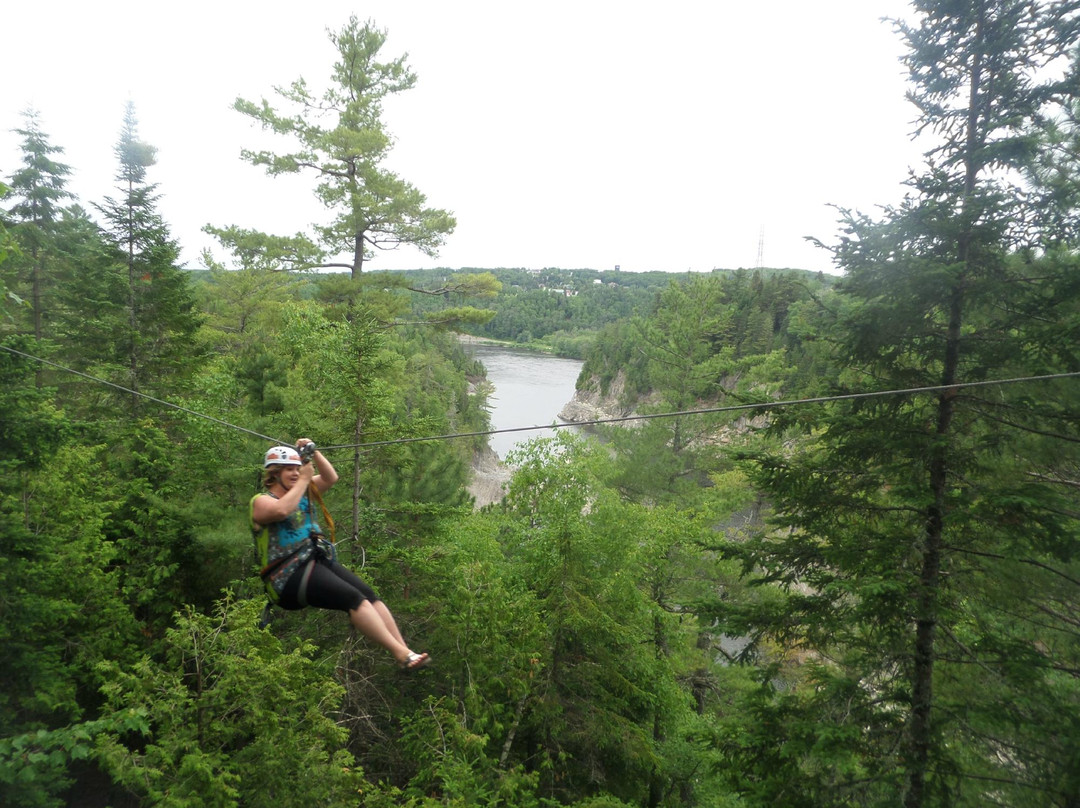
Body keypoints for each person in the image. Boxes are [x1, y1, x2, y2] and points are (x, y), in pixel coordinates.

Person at [251, 439, 429, 670]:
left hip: (311, 562)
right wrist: (304, 479)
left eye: (297, 469)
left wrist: (314, 454)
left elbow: (330, 478)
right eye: (289, 470)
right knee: (354, 600)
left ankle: (406, 651)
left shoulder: (301, 492)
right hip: (285, 578)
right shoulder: (260, 502)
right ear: (274, 474)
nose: (295, 474)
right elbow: (282, 510)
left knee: (369, 596)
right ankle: (402, 655)